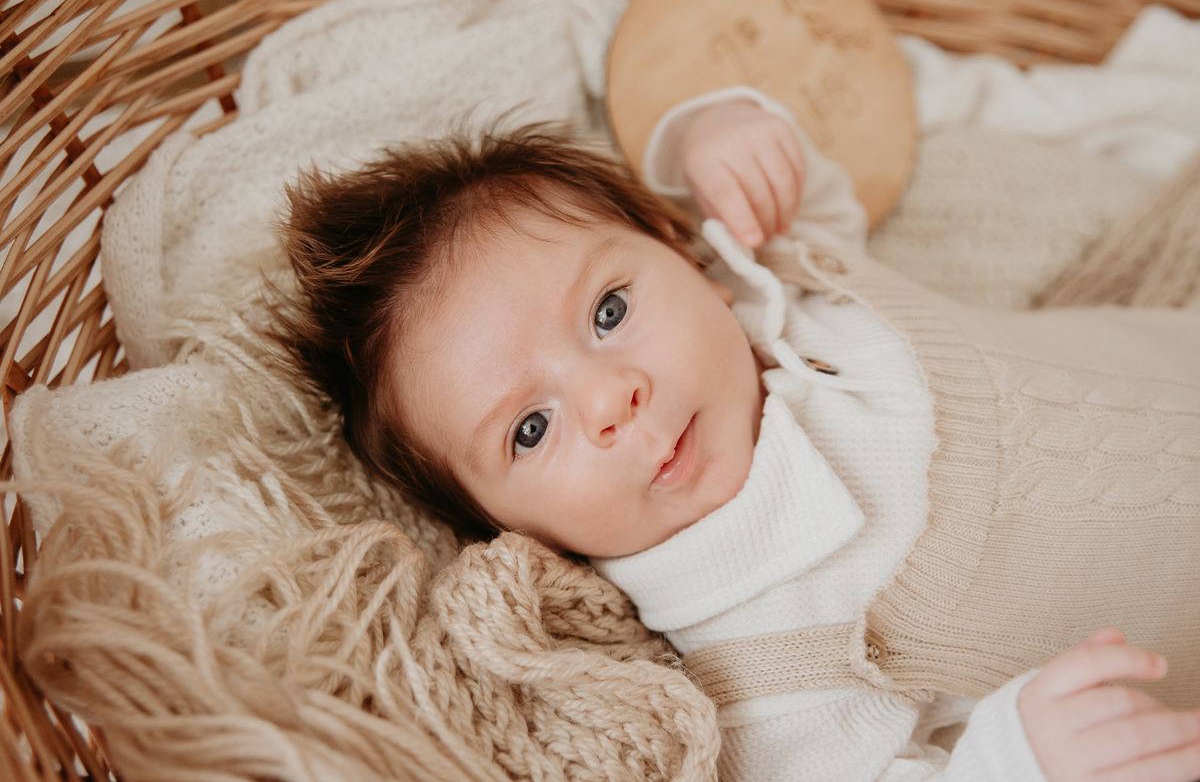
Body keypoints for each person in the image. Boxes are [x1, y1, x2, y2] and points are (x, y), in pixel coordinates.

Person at [275, 86, 1200, 782]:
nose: (612, 397)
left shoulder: (786, 289)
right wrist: (1015, 757)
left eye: (606, 311)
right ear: (510, 532)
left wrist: (717, 133)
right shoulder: (763, 665)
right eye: (529, 428)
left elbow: (799, 188)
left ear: (687, 255)